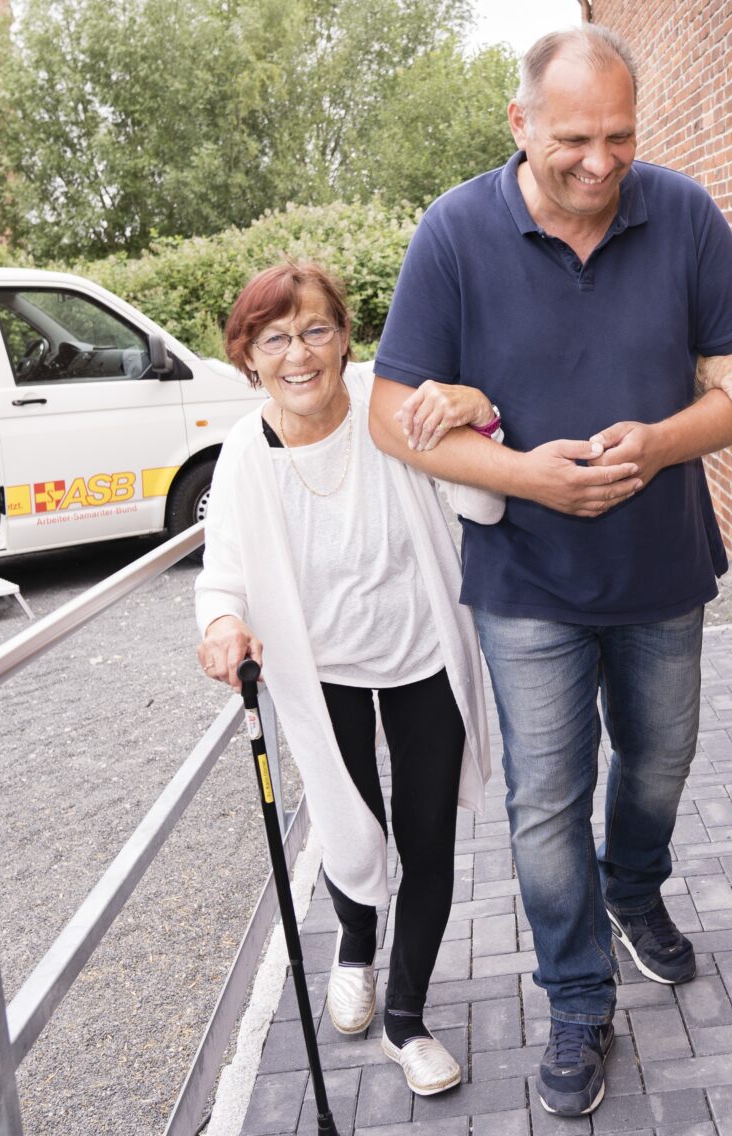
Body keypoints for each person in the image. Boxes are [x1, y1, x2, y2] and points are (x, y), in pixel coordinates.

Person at [366, 25, 732, 1118]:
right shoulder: (456, 232)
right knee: (545, 800)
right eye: (573, 140)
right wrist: (524, 474)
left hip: (662, 568)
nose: (600, 163)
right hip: (527, 581)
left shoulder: (683, 212)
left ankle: (634, 887)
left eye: (620, 138)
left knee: (658, 761)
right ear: (519, 124)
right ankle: (576, 993)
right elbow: (387, 414)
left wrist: (665, 438)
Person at [193, 260, 506, 1099]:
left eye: (316, 330)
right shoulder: (240, 456)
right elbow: (220, 574)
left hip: (421, 650)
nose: (300, 354)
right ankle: (356, 942)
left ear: (345, 337)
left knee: (427, 834)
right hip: (319, 666)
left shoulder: (388, 405)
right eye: (275, 339)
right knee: (347, 820)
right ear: (248, 356)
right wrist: (222, 624)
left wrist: (477, 417)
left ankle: (406, 1020)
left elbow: (484, 504)